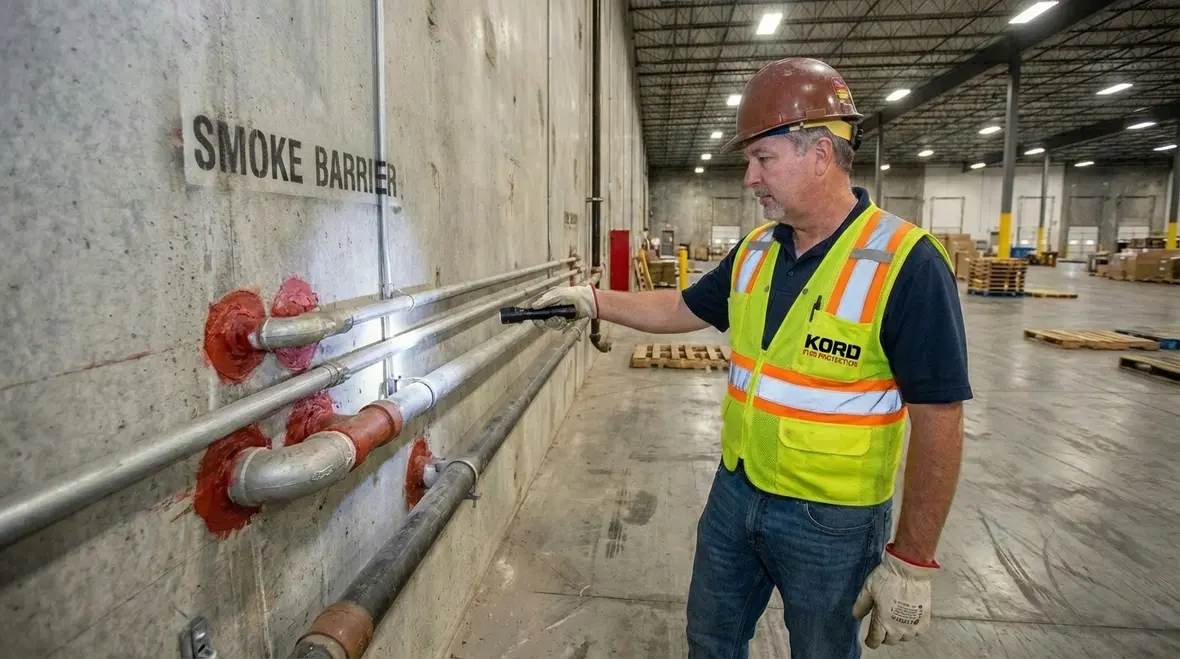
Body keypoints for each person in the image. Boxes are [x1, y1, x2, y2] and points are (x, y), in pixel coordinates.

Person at [531, 57, 970, 658]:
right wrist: (593, 300)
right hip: (737, 492)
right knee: (710, 641)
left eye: (763, 160)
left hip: (832, 523)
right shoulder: (758, 250)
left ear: (820, 153)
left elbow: (940, 420)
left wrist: (913, 560)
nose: (749, 178)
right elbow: (683, 307)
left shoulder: (907, 263)